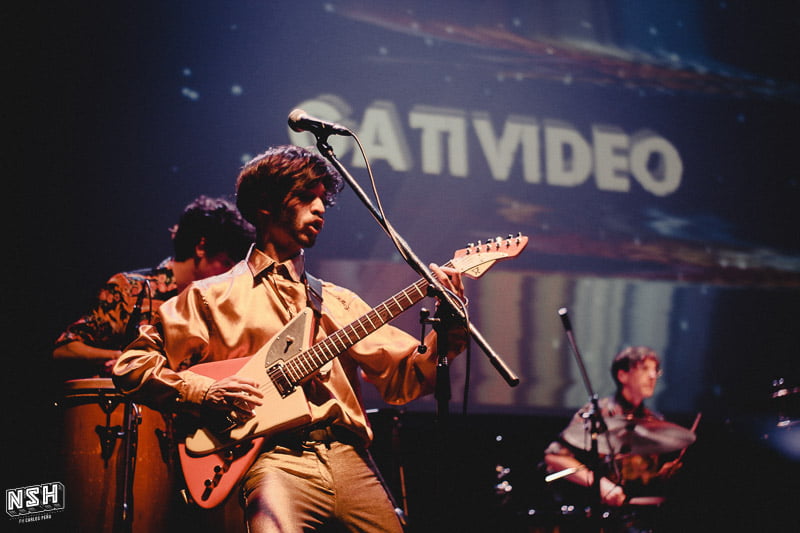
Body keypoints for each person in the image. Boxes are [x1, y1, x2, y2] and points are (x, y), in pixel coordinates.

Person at [112, 144, 469, 532]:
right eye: (306, 197)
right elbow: (133, 365)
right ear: (265, 204)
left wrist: (448, 328)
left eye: (323, 201)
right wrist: (203, 392)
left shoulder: (338, 301)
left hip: (349, 457)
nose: (319, 210)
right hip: (271, 459)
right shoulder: (210, 297)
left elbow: (407, 376)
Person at [53, 195, 255, 379]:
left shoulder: (217, 305)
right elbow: (64, 349)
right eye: (226, 263)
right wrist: (120, 358)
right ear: (201, 247)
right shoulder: (129, 289)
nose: (230, 275)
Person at [543, 346, 691, 532]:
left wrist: (663, 475)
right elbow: (555, 457)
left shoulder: (654, 422)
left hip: (637, 517)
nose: (652, 376)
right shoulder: (598, 413)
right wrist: (600, 484)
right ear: (622, 375)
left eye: (655, 370)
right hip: (592, 517)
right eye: (644, 369)